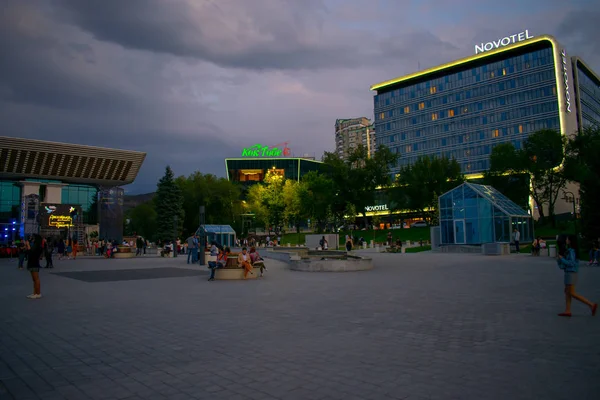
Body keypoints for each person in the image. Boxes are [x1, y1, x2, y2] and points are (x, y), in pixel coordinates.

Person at [556, 234, 597, 317]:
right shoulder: (570, 251)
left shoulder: (572, 251)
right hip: (569, 273)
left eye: (567, 239)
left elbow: (571, 263)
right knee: (567, 292)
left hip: (571, 273)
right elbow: (563, 266)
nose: (566, 240)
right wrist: (559, 260)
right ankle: (567, 310)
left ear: (570, 241)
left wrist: (562, 259)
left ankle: (591, 305)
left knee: (572, 293)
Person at [25, 234, 43, 299]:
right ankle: (35, 292)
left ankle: (38, 293)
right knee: (34, 279)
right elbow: (28, 252)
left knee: (36, 279)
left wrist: (28, 245)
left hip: (34, 263)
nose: (32, 239)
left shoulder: (38, 246)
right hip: (32, 262)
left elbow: (31, 253)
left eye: (33, 238)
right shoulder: (35, 246)